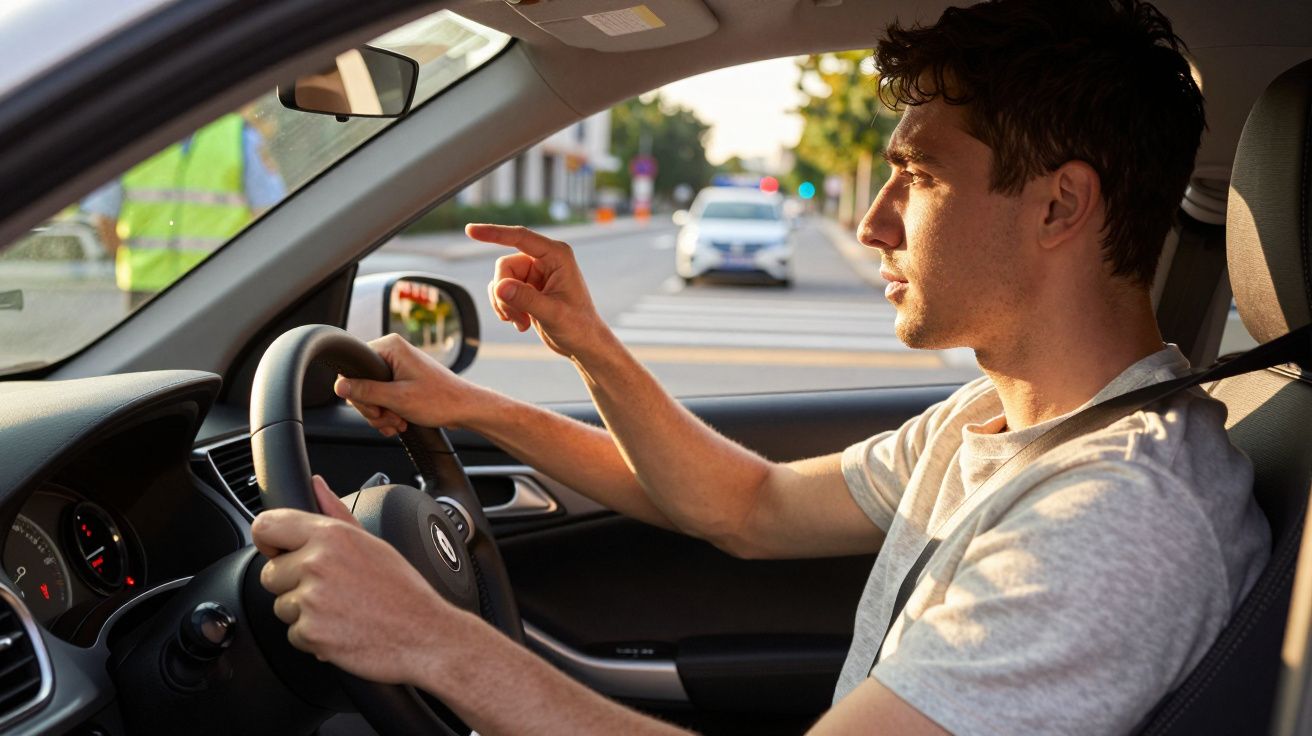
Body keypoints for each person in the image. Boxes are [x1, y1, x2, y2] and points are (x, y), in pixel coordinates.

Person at [250, 0, 1271, 733]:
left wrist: (428, 638)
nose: (873, 223)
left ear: (1060, 205)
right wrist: (508, 387)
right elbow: (749, 505)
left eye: (917, 176)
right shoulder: (996, 420)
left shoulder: (1117, 515)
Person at [81, 110, 285, 309]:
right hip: (213, 283)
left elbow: (105, 219)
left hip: (170, 288)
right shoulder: (238, 134)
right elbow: (268, 216)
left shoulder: (133, 138)